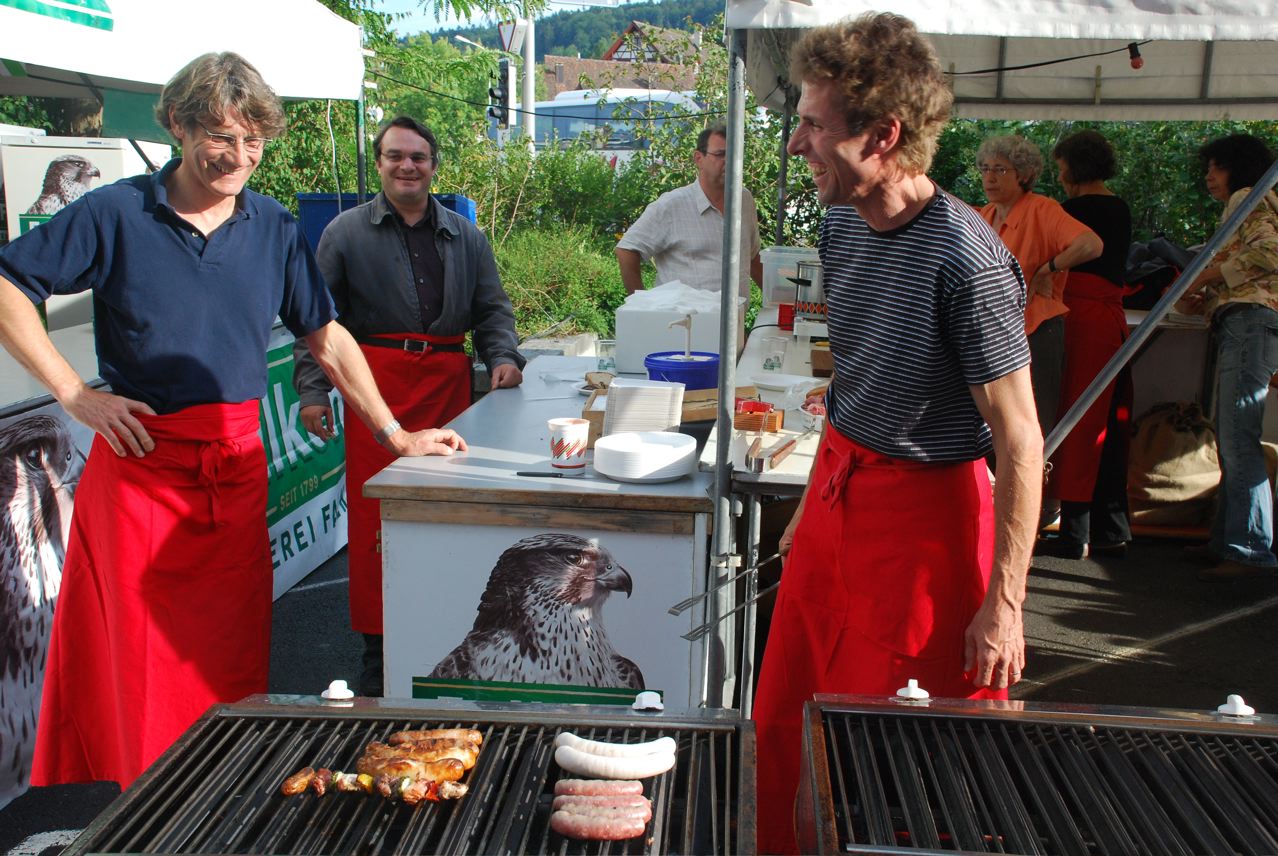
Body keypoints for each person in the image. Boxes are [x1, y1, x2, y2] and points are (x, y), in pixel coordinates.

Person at [0, 53, 466, 790]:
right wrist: (72, 393)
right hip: (141, 473)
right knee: (143, 666)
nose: (240, 158)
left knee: (229, 660)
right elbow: (8, 287)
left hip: (235, 469)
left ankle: (218, 791)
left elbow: (327, 336)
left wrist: (394, 432)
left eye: (255, 142)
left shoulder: (274, 224)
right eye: (223, 137)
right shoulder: (117, 212)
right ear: (179, 125)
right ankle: (147, 806)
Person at [750, 15, 1043, 854]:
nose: (798, 141)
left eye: (813, 125)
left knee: (887, 755)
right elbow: (853, 377)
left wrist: (1005, 606)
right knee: (782, 712)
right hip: (841, 493)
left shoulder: (969, 259)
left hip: (923, 527)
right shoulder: (842, 227)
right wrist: (813, 505)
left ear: (883, 136)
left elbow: (1021, 441)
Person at [292, 116, 524, 697]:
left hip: (448, 389)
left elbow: (492, 309)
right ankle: (379, 649)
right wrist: (313, 390)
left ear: (434, 165)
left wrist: (502, 356)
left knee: (447, 513)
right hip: (375, 388)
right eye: (396, 156)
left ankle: (447, 627)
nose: (407, 166)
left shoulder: (466, 236)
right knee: (379, 523)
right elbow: (316, 324)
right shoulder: (343, 233)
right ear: (380, 164)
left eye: (418, 157)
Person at [1178, 134, 1278, 580]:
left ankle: (1250, 550)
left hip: (1250, 320)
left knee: (1238, 437)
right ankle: (1228, 540)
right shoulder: (1250, 201)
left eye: (1215, 167)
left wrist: (1206, 276)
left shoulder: (1248, 197)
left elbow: (1269, 253)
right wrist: (1210, 291)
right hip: (1243, 318)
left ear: (1237, 168)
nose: (1208, 177)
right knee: (1232, 435)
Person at [1036, 130, 1135, 560]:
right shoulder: (1118, 207)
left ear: (1075, 167)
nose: (1059, 178)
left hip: (1080, 318)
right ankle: (1108, 528)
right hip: (1105, 320)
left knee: (1072, 419)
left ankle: (1075, 531)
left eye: (1061, 170)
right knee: (1103, 422)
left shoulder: (1075, 209)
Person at [977, 135, 1104, 434]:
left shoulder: (1041, 209)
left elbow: (1092, 244)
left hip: (1036, 333)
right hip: (992, 335)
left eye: (1000, 169)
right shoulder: (985, 214)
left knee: (1031, 428)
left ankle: (1033, 482)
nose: (989, 177)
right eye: (984, 168)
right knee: (988, 430)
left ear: (1023, 174)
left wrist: (1048, 269)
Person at [615, 123, 763, 298]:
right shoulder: (672, 205)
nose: (729, 161)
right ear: (698, 158)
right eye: (720, 154)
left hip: (735, 322)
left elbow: (752, 256)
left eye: (735, 154)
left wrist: (776, 299)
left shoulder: (744, 200)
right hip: (683, 323)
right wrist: (642, 303)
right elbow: (626, 249)